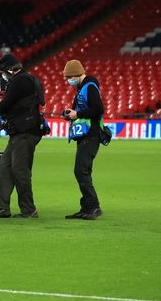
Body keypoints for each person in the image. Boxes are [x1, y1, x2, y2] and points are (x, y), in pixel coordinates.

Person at [0, 53, 45, 219]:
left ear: (9, 69)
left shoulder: (19, 81)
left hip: (24, 132)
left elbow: (5, 105)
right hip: (23, 131)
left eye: (3, 71)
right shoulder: (30, 79)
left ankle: (29, 210)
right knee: (5, 167)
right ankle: (2, 208)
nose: (3, 74)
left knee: (19, 170)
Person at [62, 60, 105, 220]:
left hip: (91, 133)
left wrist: (78, 115)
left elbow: (99, 109)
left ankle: (94, 207)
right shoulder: (83, 87)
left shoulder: (89, 86)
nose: (68, 80)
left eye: (69, 77)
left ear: (75, 74)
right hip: (85, 133)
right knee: (84, 170)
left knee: (80, 170)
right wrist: (71, 114)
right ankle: (86, 208)